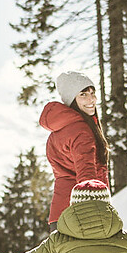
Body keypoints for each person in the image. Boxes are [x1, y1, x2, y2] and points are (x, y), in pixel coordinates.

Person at [39, 71, 110, 230]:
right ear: (72, 100)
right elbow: (87, 175)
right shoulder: (81, 130)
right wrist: (95, 211)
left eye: (92, 93)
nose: (91, 99)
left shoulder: (57, 131)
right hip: (80, 215)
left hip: (59, 215)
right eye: (83, 95)